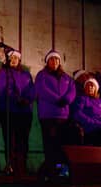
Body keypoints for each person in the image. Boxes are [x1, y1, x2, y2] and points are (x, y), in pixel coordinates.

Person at [0, 49, 35, 179]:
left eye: (16, 58)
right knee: (10, 140)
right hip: (9, 111)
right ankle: (10, 165)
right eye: (11, 58)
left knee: (23, 140)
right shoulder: (3, 73)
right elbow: (1, 90)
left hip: (25, 112)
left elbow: (31, 90)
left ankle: (22, 167)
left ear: (19, 60)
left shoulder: (26, 75)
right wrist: (15, 99)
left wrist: (27, 100)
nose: (13, 60)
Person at [35, 50, 76, 183]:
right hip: (48, 116)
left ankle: (62, 173)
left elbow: (72, 91)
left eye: (57, 60)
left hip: (63, 117)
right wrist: (57, 99)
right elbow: (42, 90)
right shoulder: (42, 75)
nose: (55, 62)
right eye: (52, 60)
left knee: (61, 147)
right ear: (47, 62)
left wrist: (67, 100)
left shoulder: (66, 78)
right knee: (50, 145)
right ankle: (50, 173)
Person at [71, 78, 101, 146]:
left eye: (92, 86)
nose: (89, 87)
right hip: (90, 128)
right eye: (87, 86)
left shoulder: (99, 101)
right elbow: (77, 114)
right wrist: (93, 122)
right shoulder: (82, 99)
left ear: (96, 88)